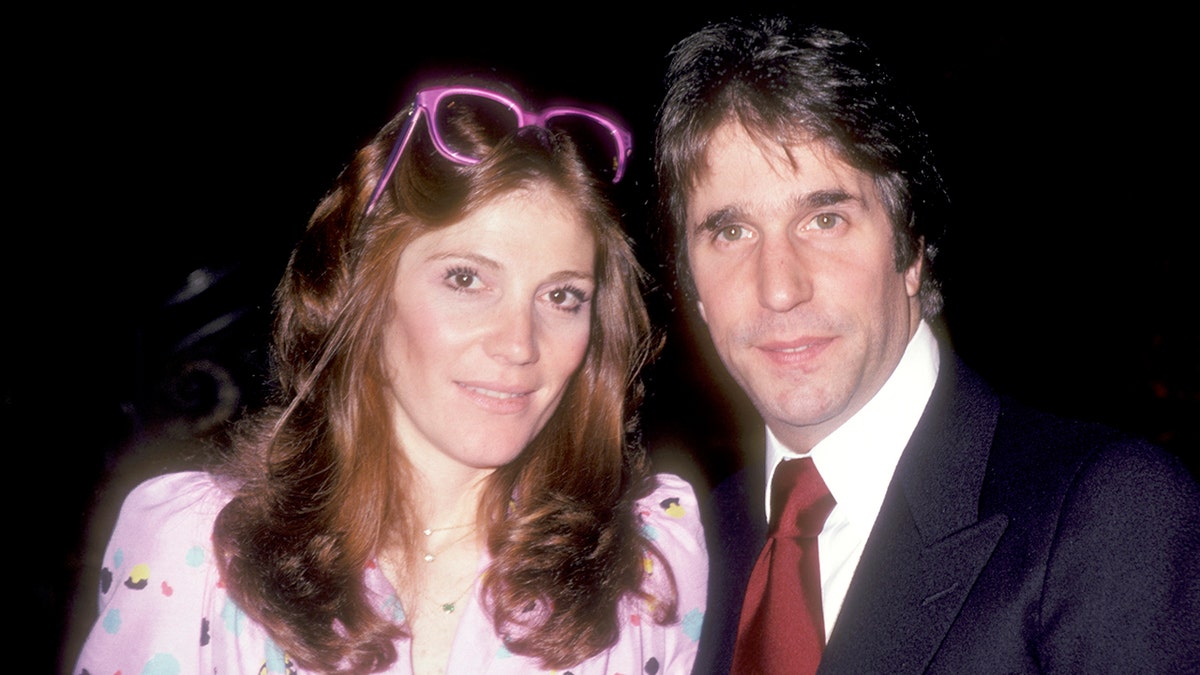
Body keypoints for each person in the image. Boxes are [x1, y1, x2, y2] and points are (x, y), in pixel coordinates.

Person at [75, 81, 707, 674]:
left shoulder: (649, 565)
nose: (520, 344)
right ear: (365, 297)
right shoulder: (196, 546)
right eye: (466, 279)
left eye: (563, 297)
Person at [653, 16, 1199, 675]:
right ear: (695, 288)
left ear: (911, 250)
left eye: (824, 219)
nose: (778, 289)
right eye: (732, 232)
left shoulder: (1107, 515)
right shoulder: (684, 554)